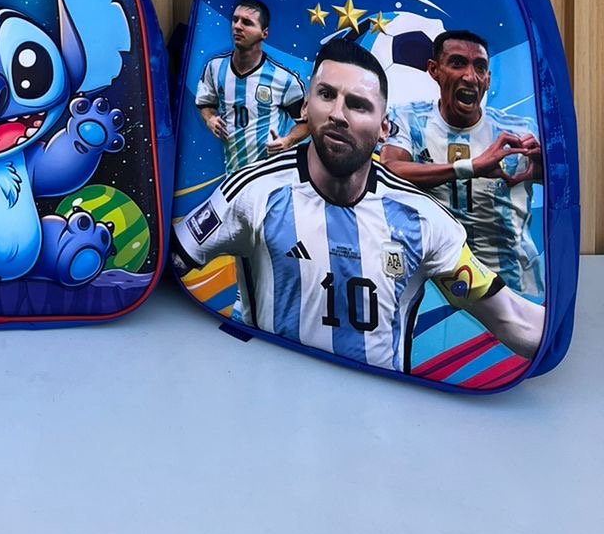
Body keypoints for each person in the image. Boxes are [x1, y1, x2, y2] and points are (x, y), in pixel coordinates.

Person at [173, 38, 545, 373]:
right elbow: (169, 264)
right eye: (326, 95)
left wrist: (558, 336)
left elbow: (512, 319)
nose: (338, 114)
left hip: (382, 413)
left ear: (384, 128)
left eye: (357, 104)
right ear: (305, 106)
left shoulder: (424, 220)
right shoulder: (253, 192)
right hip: (269, 399)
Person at [381, 29, 543, 297]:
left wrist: (546, 173)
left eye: (479, 67)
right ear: (434, 70)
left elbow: (567, 189)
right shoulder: (408, 119)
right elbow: (390, 169)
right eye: (457, 63)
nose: (470, 76)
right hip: (433, 287)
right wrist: (470, 167)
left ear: (487, 79)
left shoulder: (521, 130)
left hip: (513, 284)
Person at [194, 0, 307, 173]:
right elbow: (205, 103)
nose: (237, 26)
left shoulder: (283, 79)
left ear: (264, 33)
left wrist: (288, 141)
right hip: (233, 175)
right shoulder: (215, 68)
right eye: (235, 20)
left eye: (247, 22)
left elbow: (307, 123)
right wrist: (210, 119)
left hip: (270, 175)